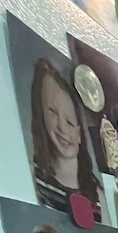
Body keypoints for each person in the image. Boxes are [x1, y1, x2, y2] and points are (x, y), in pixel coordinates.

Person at [30, 58, 100, 214]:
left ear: (80, 133)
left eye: (69, 121)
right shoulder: (34, 176)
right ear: (41, 117)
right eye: (53, 113)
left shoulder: (97, 193)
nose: (62, 127)